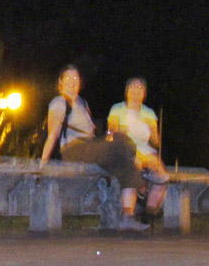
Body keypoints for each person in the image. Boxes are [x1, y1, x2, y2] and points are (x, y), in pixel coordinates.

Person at [40, 65, 149, 231]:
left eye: (75, 79)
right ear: (60, 83)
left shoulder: (83, 103)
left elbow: (93, 133)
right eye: (67, 78)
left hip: (92, 149)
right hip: (74, 149)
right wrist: (43, 165)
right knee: (122, 140)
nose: (72, 82)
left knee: (126, 164)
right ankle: (141, 183)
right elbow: (52, 134)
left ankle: (127, 217)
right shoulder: (58, 103)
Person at [108, 78, 169, 222]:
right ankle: (141, 192)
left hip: (147, 151)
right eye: (133, 87)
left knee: (162, 177)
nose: (136, 90)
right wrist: (124, 129)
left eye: (140, 87)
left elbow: (155, 143)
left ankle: (148, 214)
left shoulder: (148, 112)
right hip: (126, 150)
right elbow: (112, 132)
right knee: (135, 167)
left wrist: (153, 130)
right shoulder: (118, 109)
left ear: (144, 93)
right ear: (127, 91)